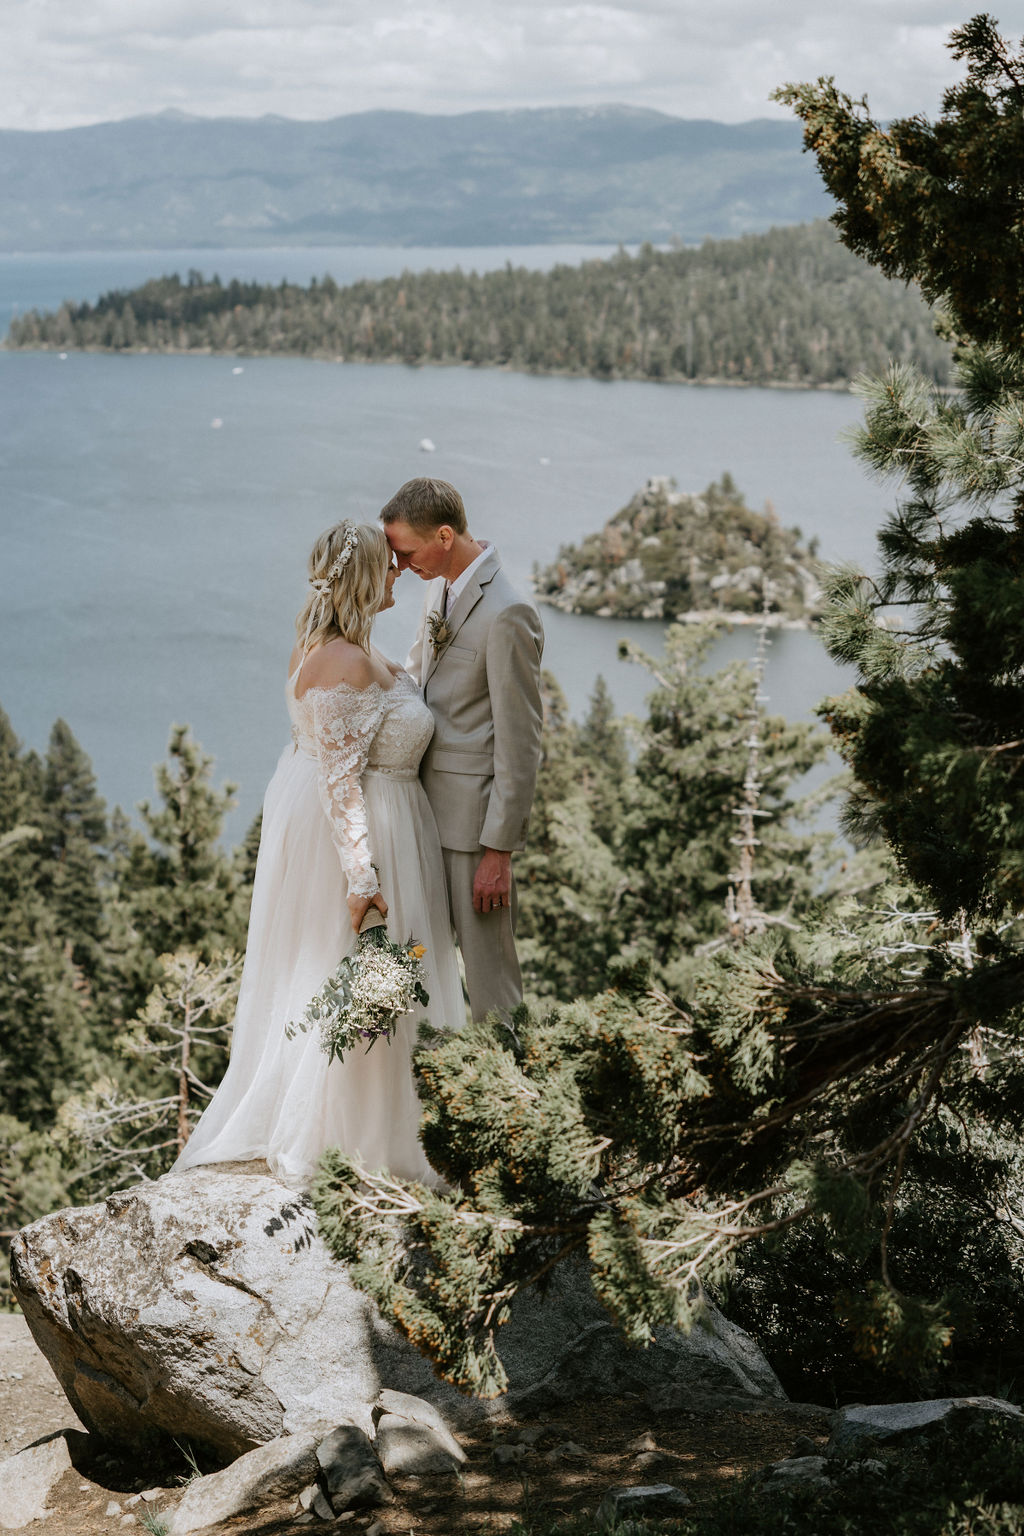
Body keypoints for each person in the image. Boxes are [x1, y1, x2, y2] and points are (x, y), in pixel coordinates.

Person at [171, 520, 465, 1190]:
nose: (398, 574)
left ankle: (377, 1124)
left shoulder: (342, 649)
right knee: (363, 989)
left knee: (364, 990)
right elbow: (339, 779)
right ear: (365, 576)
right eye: (389, 567)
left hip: (384, 827)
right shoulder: (345, 661)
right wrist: (361, 880)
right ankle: (361, 1135)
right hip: (369, 841)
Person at [381, 478, 544, 1022]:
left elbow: (521, 744)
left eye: (406, 552)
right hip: (423, 811)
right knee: (420, 968)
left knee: (491, 983)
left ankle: (510, 1095)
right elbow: (419, 678)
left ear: (445, 535)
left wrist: (498, 851)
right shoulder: (440, 587)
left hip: (474, 831)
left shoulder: (508, 612)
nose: (401, 566)